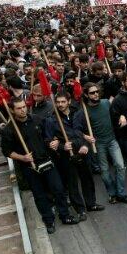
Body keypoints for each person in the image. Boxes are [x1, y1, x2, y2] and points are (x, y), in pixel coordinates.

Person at [0, 97, 78, 234]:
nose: (23, 110)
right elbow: (7, 151)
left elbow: (49, 135)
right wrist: (22, 157)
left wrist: (53, 142)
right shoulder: (9, 130)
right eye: (19, 108)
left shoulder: (37, 119)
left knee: (58, 189)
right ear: (12, 110)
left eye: (24, 106)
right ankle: (49, 220)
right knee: (40, 195)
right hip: (30, 167)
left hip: (47, 160)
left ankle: (65, 216)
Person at [43, 92, 103, 220]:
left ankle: (91, 204)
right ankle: (80, 210)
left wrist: (86, 145)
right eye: (58, 102)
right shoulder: (51, 119)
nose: (60, 104)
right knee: (72, 183)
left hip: (83, 151)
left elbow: (87, 133)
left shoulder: (79, 113)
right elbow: (48, 141)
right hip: (67, 155)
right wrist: (61, 146)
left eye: (63, 101)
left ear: (69, 101)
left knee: (87, 179)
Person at [76, 83, 127, 204]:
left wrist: (122, 116)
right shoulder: (83, 111)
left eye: (96, 91)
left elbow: (118, 111)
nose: (95, 94)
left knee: (120, 166)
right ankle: (112, 194)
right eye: (92, 92)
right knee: (105, 173)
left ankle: (121, 193)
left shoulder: (106, 102)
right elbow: (76, 130)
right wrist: (86, 136)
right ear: (86, 94)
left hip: (112, 140)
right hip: (98, 145)